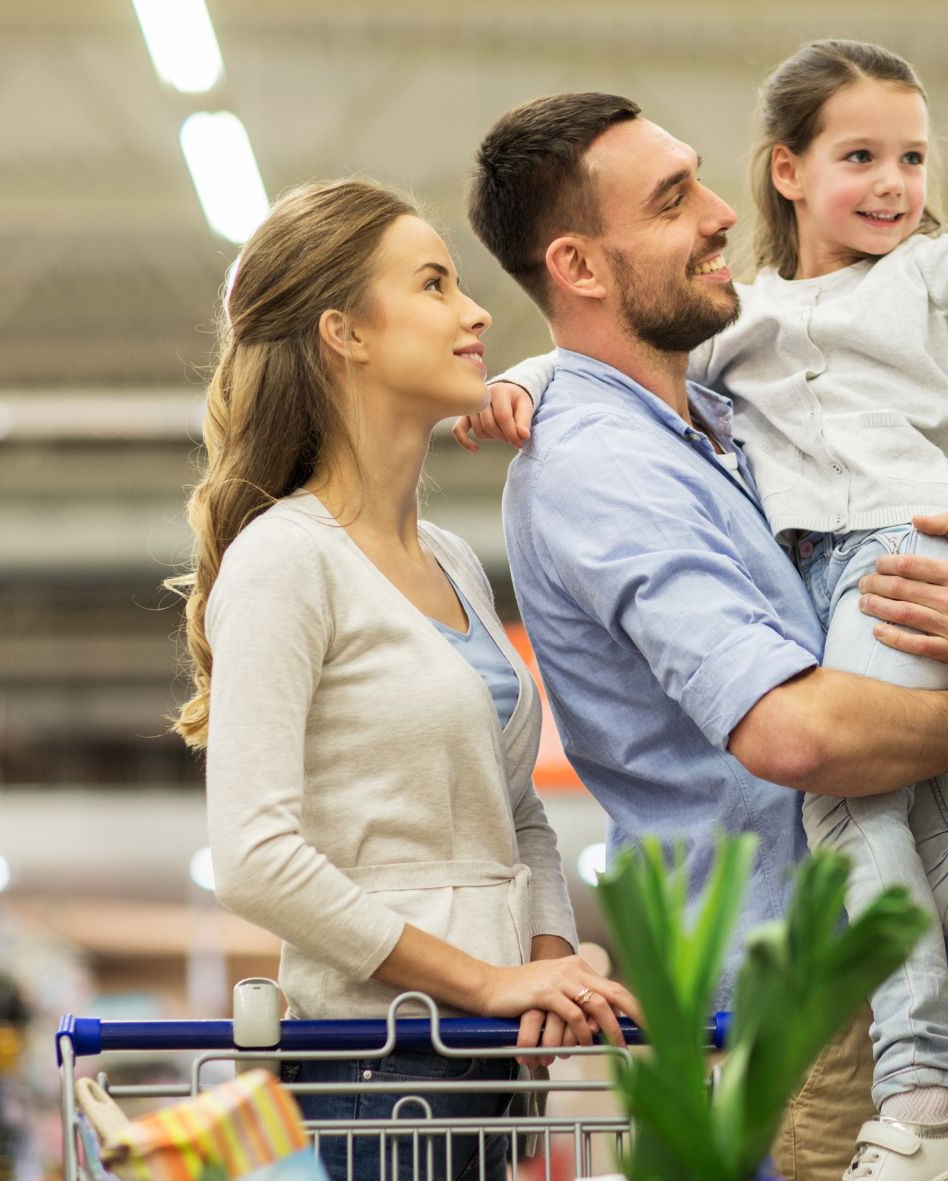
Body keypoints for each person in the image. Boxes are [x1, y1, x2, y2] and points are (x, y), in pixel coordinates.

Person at [463, 36, 948, 1181]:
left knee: (921, 845)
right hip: (796, 971)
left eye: (911, 157)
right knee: (932, 842)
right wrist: (529, 375)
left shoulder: (729, 400)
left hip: (882, 614)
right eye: (674, 198)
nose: (892, 184)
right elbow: (800, 736)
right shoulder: (645, 423)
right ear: (792, 170)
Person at [169, 178, 640, 1181]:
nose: (474, 313)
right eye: (433, 284)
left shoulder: (452, 558)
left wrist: (547, 967)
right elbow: (253, 854)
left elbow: (519, 817)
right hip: (377, 1066)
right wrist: (486, 978)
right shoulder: (285, 559)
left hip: (486, 1063)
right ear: (345, 333)